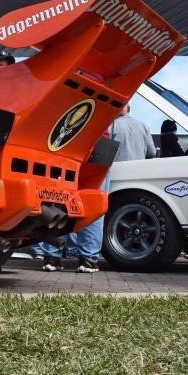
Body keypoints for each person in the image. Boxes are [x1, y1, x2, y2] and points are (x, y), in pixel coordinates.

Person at [34, 104, 150, 273]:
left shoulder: (65, 90)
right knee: (93, 206)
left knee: (55, 202)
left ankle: (52, 257)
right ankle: (87, 260)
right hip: (97, 147)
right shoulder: (106, 93)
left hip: (61, 145)